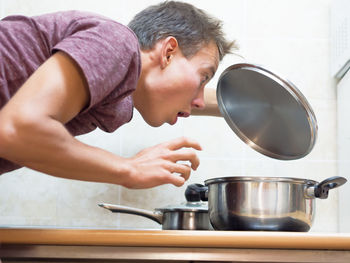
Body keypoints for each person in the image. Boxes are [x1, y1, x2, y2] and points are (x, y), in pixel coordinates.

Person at [0, 1, 236, 189]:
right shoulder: (117, 42)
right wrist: (129, 170)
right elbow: (17, 131)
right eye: (203, 77)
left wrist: (261, 108)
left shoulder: (116, 95)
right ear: (168, 52)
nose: (198, 102)